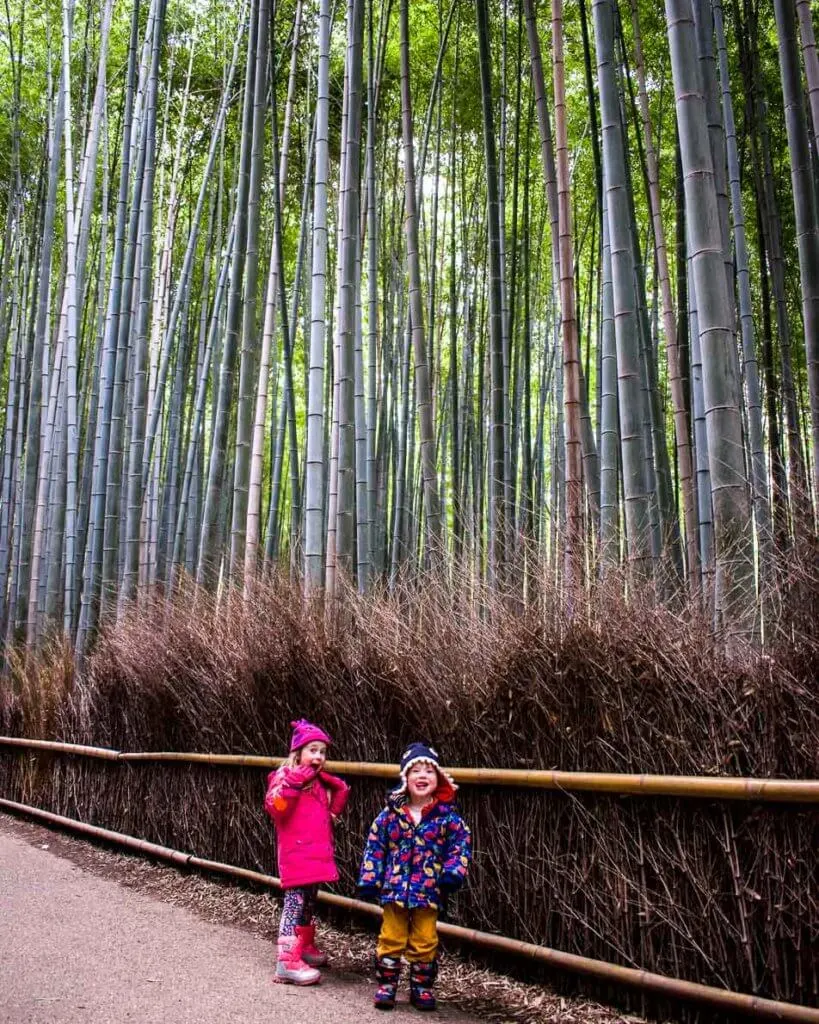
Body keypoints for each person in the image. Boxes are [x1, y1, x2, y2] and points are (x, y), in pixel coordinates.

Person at [358, 743, 471, 1011]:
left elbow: (460, 845)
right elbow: (375, 846)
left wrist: (453, 872)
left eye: (429, 771)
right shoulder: (389, 816)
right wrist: (370, 877)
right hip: (394, 889)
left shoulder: (447, 818)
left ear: (439, 778)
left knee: (425, 940)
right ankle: (387, 984)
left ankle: (421, 987)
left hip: (429, 889)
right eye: (416, 770)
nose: (422, 776)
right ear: (405, 779)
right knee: (391, 937)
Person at [264, 719, 350, 985]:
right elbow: (275, 806)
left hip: (315, 854)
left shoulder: (318, 782)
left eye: (322, 752)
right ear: (297, 752)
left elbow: (329, 811)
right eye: (313, 750)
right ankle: (286, 961)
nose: (318, 756)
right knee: (294, 904)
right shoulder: (285, 777)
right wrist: (294, 784)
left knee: (310, 900)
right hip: (296, 854)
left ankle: (303, 946)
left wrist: (337, 795)